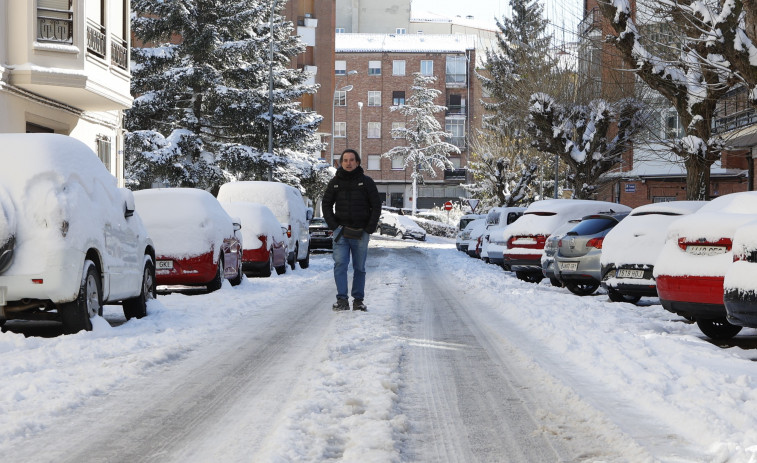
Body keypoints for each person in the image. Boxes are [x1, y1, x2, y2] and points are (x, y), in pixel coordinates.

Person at [321, 149, 381, 311]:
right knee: (340, 265)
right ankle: (342, 300)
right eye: (345, 160)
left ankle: (358, 301)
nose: (348, 163)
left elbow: (376, 206)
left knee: (359, 268)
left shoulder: (367, 182)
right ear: (341, 163)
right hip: (341, 234)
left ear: (358, 162)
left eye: (352, 160)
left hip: (361, 233)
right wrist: (334, 226)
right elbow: (326, 205)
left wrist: (368, 228)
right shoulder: (334, 183)